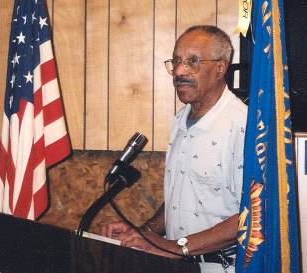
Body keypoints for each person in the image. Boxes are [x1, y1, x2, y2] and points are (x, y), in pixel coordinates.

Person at [101, 25, 247, 273]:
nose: (179, 70)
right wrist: (144, 234)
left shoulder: (242, 126)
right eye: (177, 61)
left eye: (193, 61)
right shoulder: (181, 120)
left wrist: (176, 248)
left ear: (221, 68)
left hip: (222, 266)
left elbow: (253, 215)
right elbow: (181, 198)